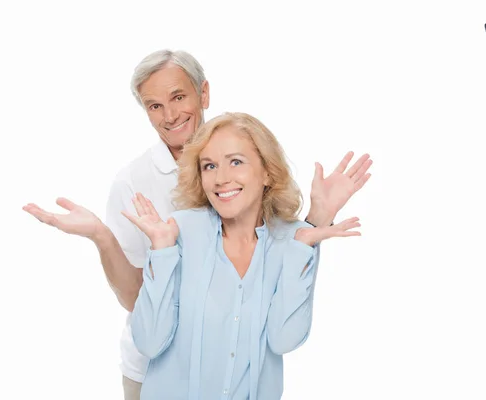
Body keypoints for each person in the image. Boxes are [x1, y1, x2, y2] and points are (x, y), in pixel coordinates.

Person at [22, 49, 373, 399]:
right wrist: (108, 237)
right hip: (156, 371)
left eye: (178, 96)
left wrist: (316, 223)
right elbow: (136, 300)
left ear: (203, 93)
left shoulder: (245, 156)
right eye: (154, 105)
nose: (170, 115)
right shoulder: (141, 189)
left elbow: (280, 296)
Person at [122, 112, 363, 399]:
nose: (221, 178)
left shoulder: (293, 239)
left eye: (235, 162)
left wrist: (306, 243)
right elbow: (148, 342)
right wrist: (161, 251)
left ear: (267, 172)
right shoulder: (180, 230)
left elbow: (284, 339)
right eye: (209, 166)